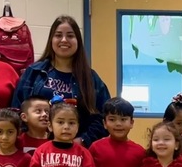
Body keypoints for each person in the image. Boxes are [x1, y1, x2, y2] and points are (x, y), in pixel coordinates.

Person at [12, 15, 111, 147]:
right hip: (34, 148)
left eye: (70, 36)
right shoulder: (34, 73)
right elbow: (16, 110)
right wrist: (28, 138)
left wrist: (82, 141)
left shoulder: (90, 78)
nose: (64, 40)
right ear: (51, 40)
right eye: (58, 35)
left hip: (74, 151)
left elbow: (103, 117)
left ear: (78, 41)